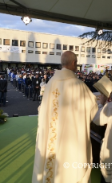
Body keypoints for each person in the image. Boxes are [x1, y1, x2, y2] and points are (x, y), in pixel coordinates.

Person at [32, 51, 98, 183]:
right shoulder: (78, 85)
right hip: (71, 136)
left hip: (52, 133)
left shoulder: (51, 82)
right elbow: (93, 111)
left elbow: (42, 108)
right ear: (74, 63)